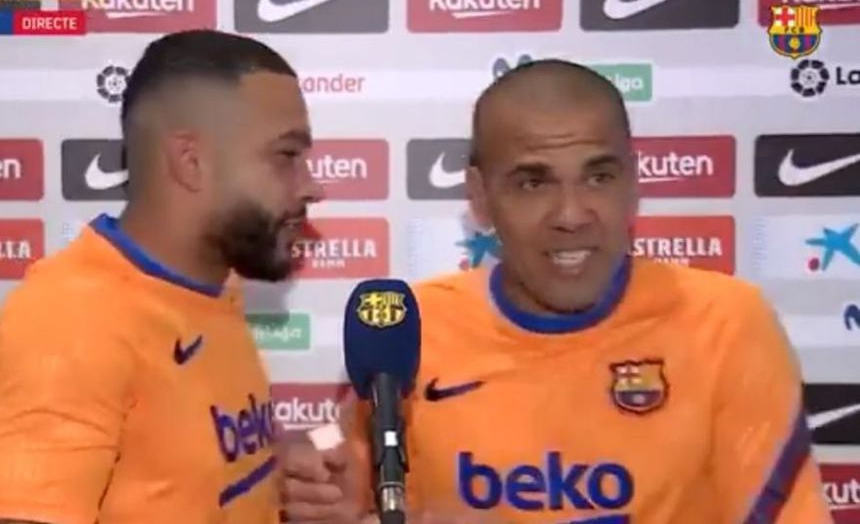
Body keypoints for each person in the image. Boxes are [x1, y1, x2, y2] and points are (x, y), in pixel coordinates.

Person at [280, 59, 834, 524]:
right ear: (480, 197)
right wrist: (329, 492)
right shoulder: (409, 325)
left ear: (634, 183)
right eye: (533, 182)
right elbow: (350, 472)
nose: (571, 215)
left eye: (598, 177)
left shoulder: (725, 321)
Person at [0, 30, 322, 523]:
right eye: (286, 156)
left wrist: (277, 467)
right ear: (191, 162)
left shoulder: (213, 286)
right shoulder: (71, 324)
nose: (313, 187)